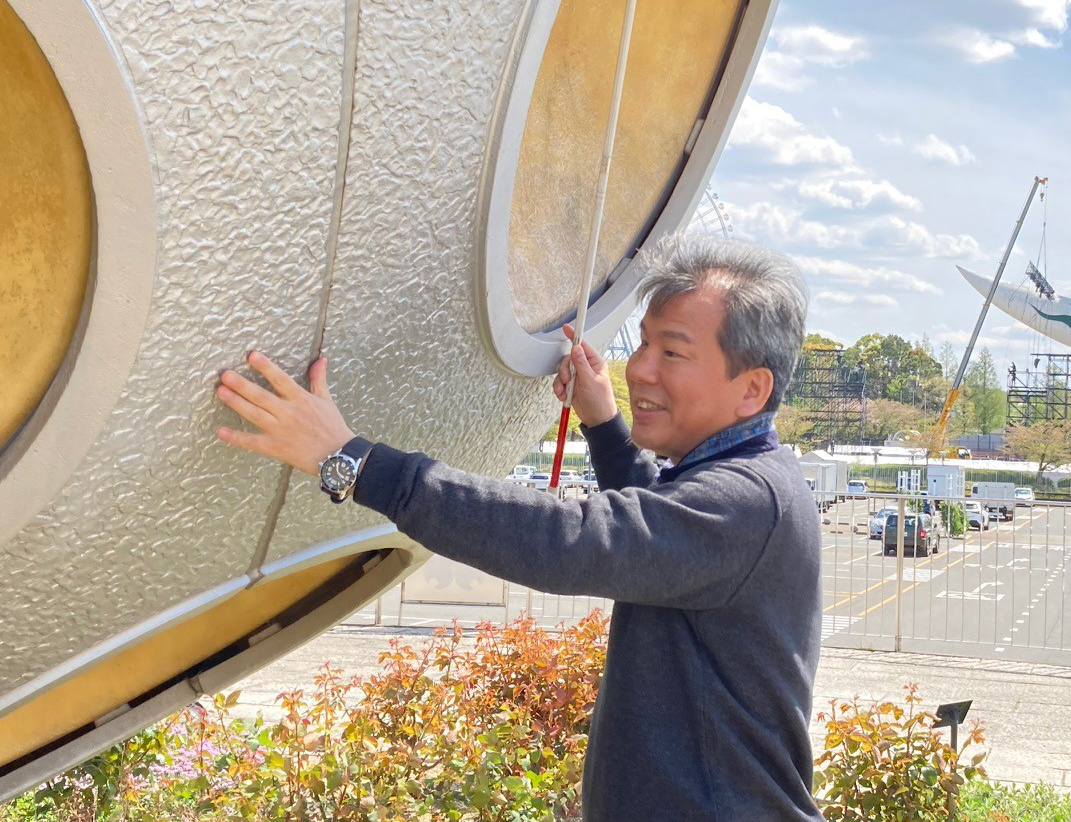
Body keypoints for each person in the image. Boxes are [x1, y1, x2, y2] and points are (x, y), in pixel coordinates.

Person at [215, 234, 823, 822]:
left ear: (752, 388)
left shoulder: (746, 502)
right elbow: (658, 533)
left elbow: (576, 542)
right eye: (642, 343)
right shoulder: (744, 484)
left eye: (673, 352)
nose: (639, 368)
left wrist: (357, 462)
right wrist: (604, 424)